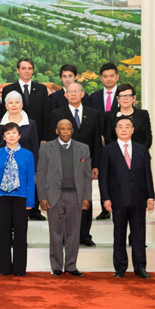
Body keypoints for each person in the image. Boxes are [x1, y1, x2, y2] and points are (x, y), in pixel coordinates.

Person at [100, 118, 155, 279]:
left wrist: (150, 196)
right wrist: (106, 198)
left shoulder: (141, 150)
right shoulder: (107, 150)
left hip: (139, 197)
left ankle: (140, 267)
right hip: (118, 198)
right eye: (120, 127)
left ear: (132, 130)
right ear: (116, 130)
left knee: (139, 235)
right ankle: (120, 267)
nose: (123, 129)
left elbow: (147, 174)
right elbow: (104, 177)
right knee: (119, 235)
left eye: (127, 127)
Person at [37, 119, 92, 277]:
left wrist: (87, 197)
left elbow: (87, 176)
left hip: (76, 196)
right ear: (57, 131)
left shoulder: (83, 148)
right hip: (54, 196)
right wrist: (42, 197)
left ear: (72, 130)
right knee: (55, 232)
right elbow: (41, 174)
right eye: (62, 129)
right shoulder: (46, 148)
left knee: (74, 233)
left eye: (68, 129)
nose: (66, 132)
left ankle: (71, 266)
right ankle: (56, 266)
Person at [49, 82, 101, 247]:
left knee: (84, 198)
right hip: (63, 163)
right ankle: (66, 236)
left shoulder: (94, 114)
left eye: (76, 91)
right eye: (69, 92)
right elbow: (52, 140)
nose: (73, 94)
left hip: (86, 163)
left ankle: (84, 235)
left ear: (82, 94)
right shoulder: (57, 113)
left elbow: (97, 141)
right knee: (65, 200)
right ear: (65, 95)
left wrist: (96, 165)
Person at [0, 122, 35, 276]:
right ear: (3, 137)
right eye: (8, 133)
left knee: (20, 233)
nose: (11, 136)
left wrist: (30, 201)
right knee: (3, 232)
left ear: (19, 135)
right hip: (2, 197)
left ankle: (19, 268)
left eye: (14, 133)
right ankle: (4, 268)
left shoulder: (28, 154)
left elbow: (30, 179)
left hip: (21, 197)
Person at [0, 91, 42, 220]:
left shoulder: (31, 123)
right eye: (10, 103)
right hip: (4, 167)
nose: (14, 105)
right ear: (6, 106)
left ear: (21, 105)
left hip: (25, 167)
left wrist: (35, 170)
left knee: (22, 203)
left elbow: (34, 147)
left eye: (17, 102)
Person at [86, 63, 120, 221]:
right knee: (103, 175)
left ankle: (119, 207)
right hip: (100, 143)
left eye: (112, 76)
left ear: (117, 77)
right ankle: (105, 209)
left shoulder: (123, 95)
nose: (109, 79)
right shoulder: (94, 97)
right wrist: (99, 137)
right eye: (105, 76)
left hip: (118, 142)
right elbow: (91, 120)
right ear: (101, 78)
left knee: (119, 176)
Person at [0, 58, 51, 142]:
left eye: (30, 68)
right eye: (23, 68)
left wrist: (44, 138)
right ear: (17, 70)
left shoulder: (41, 89)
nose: (27, 71)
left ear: (32, 70)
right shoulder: (8, 89)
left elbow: (46, 115)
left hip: (37, 136)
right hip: (13, 136)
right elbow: (4, 113)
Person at [104, 83, 152, 148]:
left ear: (134, 98)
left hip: (139, 153)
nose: (125, 98)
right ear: (117, 99)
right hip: (115, 153)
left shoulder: (143, 114)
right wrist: (121, 151)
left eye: (128, 95)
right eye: (122, 96)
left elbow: (148, 139)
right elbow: (108, 139)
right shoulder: (110, 116)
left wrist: (138, 151)